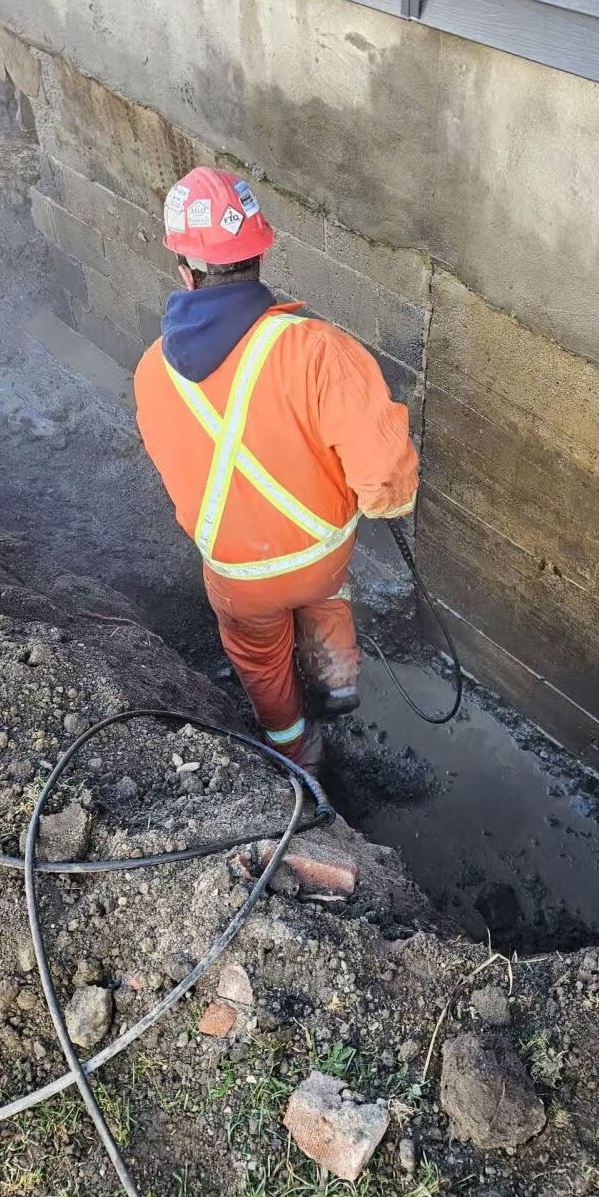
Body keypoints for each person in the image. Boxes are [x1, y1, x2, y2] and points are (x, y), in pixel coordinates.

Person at [134, 166, 418, 773]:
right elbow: (386, 481)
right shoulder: (318, 350)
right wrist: (379, 502)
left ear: (185, 272)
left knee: (260, 659)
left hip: (240, 574)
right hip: (321, 554)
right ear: (260, 254)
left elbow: (174, 469)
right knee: (326, 594)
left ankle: (298, 754)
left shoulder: (151, 371)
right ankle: (337, 677)